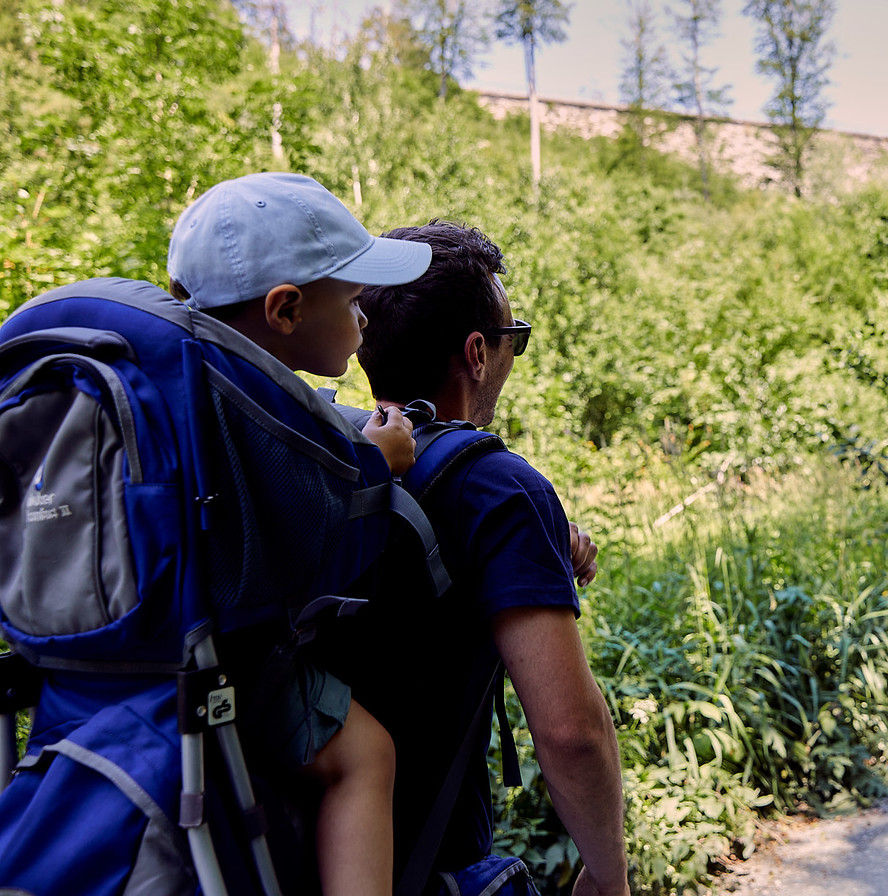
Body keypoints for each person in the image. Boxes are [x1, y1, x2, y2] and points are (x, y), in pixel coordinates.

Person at [167, 171, 431, 896]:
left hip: (118, 669)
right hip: (224, 673)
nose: (364, 321)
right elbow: (313, 552)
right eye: (351, 301)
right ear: (284, 310)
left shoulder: (185, 381)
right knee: (367, 755)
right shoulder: (263, 417)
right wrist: (379, 469)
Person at [354, 220, 628, 896]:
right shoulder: (497, 486)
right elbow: (569, 731)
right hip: (429, 863)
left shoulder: (336, 460)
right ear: (477, 353)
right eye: (514, 340)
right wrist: (609, 874)